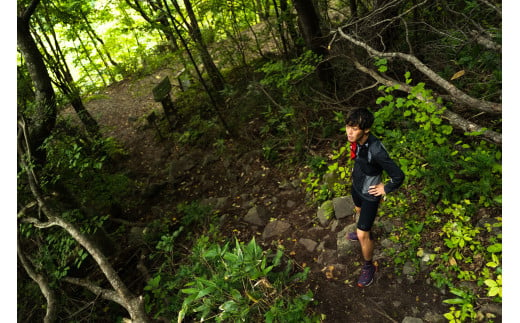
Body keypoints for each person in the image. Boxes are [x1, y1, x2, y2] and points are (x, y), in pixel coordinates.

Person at [344, 108, 405, 287]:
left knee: (363, 235)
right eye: (348, 127)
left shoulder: (377, 150)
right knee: (358, 210)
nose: (349, 132)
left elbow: (399, 175)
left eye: (354, 129)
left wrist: (385, 188)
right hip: (356, 187)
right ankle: (363, 230)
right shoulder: (355, 140)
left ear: (366, 130)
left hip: (370, 195)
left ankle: (369, 266)